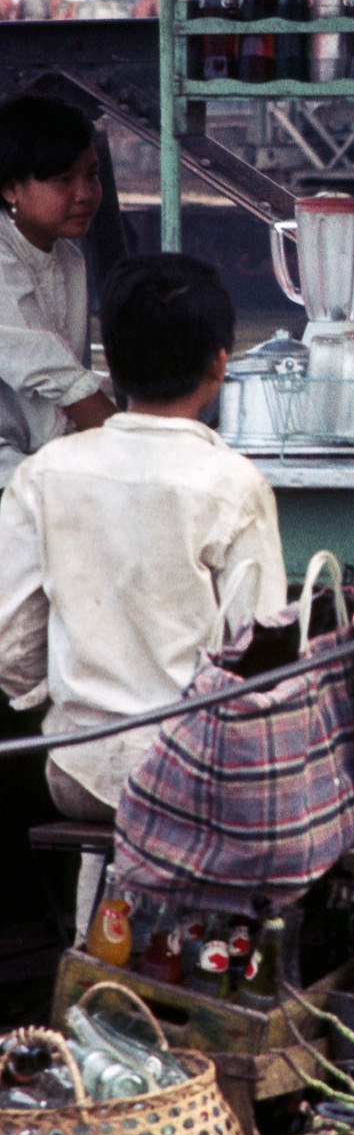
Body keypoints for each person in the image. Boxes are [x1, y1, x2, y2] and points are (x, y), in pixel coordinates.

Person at [0, 252, 288, 831]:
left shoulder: (44, 474)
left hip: (76, 773)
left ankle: (92, 920)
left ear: (114, 368)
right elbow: (263, 657)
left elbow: (10, 646)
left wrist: (58, 701)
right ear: (221, 364)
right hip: (196, 776)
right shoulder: (232, 482)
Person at [0, 95, 117, 488]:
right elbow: (55, 372)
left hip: (35, 465)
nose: (84, 193)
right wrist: (140, 454)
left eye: (92, 175)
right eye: (63, 180)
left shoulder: (69, 258)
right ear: (11, 189)